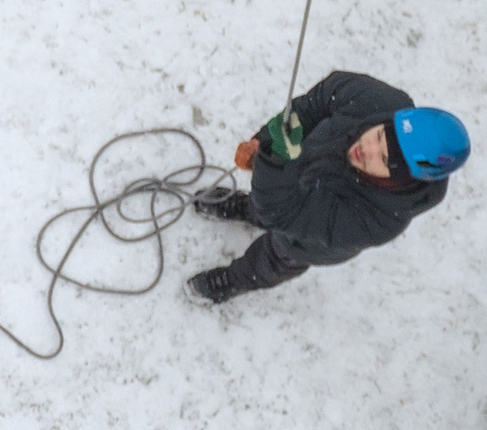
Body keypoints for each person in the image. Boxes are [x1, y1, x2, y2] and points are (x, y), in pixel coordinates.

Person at [186, 70, 468, 305]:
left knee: (274, 257)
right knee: (262, 204)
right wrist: (265, 141)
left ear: (403, 178)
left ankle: (236, 279)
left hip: (308, 239)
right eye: (379, 135)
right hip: (296, 174)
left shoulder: (378, 220)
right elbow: (317, 102)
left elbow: (283, 213)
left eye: (382, 159)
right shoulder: (381, 101)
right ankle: (246, 208)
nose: (366, 148)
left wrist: (273, 160)